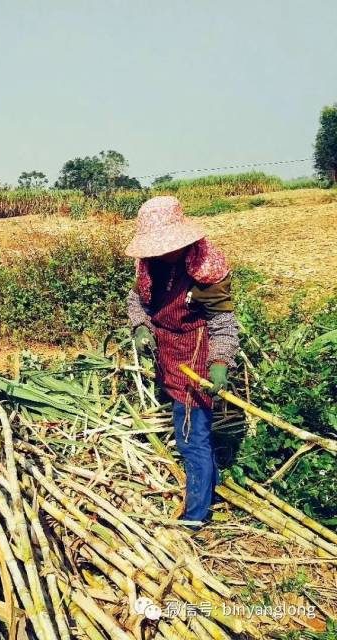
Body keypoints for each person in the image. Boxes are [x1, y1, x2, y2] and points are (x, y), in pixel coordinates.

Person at [125, 195, 239, 526]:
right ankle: (209, 492)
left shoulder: (207, 269)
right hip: (169, 355)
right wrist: (141, 327)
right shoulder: (151, 265)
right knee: (195, 438)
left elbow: (223, 325)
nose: (161, 252)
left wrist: (219, 363)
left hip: (197, 360)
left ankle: (196, 518)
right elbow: (136, 301)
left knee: (192, 440)